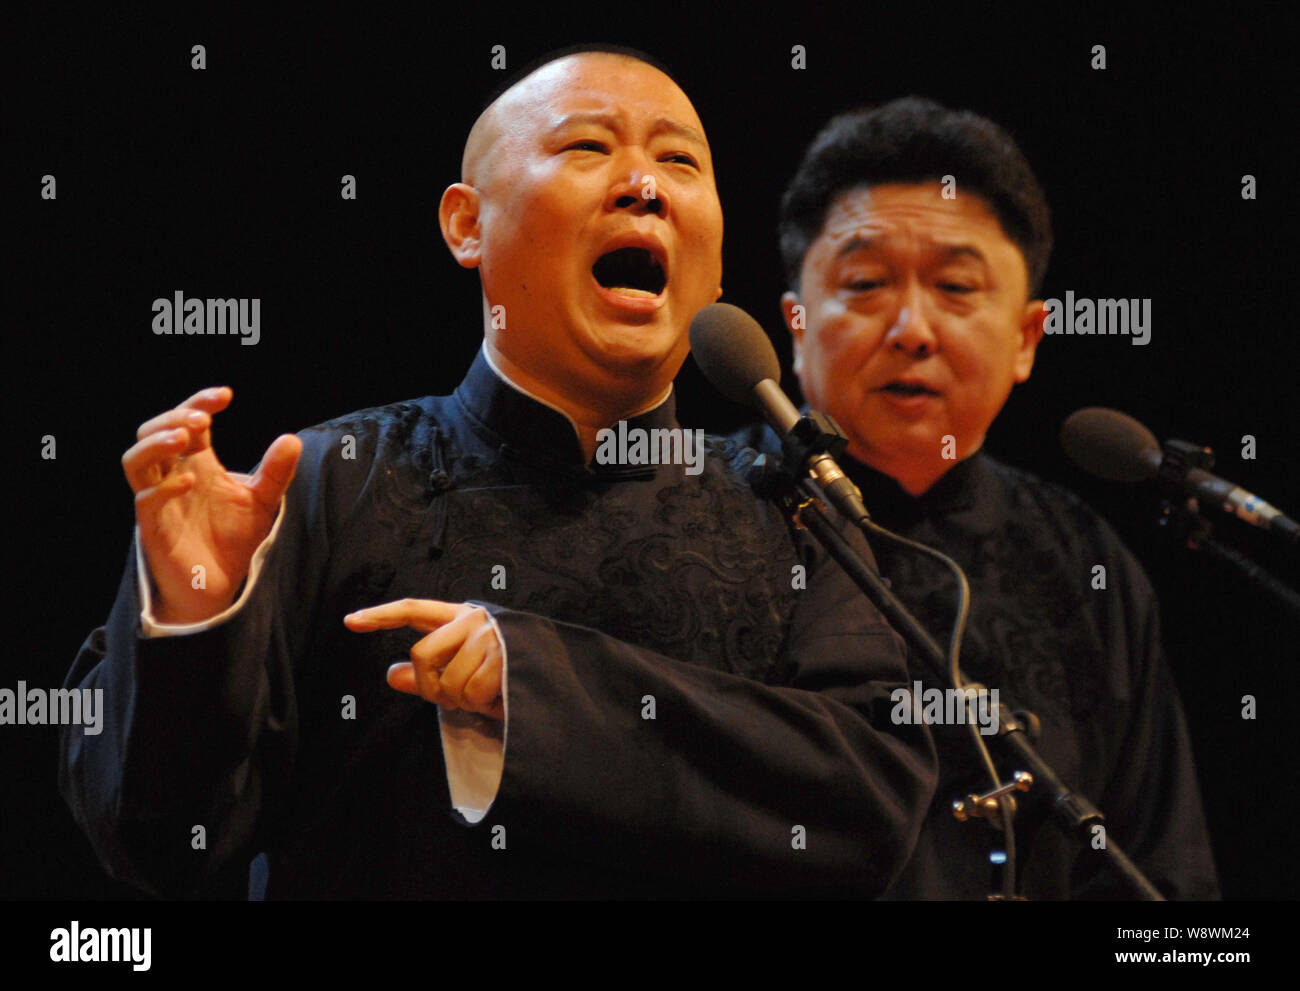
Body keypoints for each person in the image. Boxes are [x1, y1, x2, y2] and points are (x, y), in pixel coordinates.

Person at [58, 48, 936, 899]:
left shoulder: (786, 501)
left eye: (679, 160)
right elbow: (161, 843)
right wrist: (192, 621)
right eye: (589, 147)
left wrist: (533, 681)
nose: (644, 184)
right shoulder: (331, 479)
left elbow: (874, 794)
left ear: (712, 257)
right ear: (466, 224)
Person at [734, 96, 1218, 898]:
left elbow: (1169, 887)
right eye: (864, 283)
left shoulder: (1087, 563)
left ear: (1027, 337)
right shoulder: (706, 518)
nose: (912, 328)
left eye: (956, 286)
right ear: (795, 326)